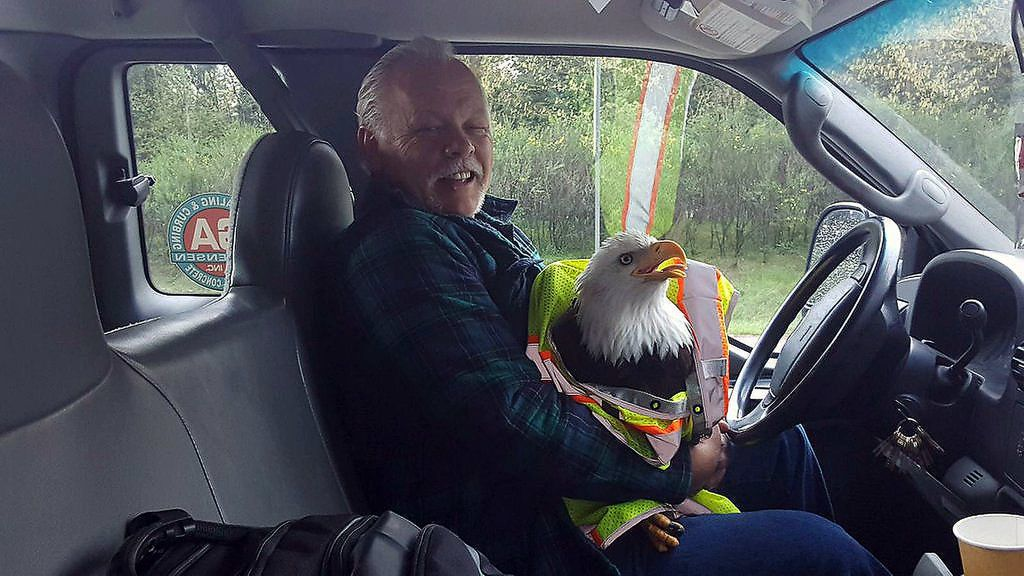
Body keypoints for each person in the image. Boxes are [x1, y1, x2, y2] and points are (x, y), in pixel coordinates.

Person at [329, 37, 891, 576]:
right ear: (371, 145)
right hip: (537, 537)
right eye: (428, 128)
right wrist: (674, 474)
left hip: (571, 490)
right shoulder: (401, 248)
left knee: (779, 443)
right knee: (824, 554)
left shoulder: (472, 228)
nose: (461, 145)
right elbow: (510, 419)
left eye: (475, 126)